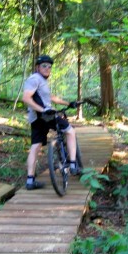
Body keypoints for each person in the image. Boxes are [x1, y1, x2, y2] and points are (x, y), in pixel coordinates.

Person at [22, 55, 80, 190]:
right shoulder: (35, 79)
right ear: (37, 67)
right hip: (45, 116)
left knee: (35, 146)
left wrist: (68, 103)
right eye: (44, 66)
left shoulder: (41, 81)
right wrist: (43, 110)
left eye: (49, 66)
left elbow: (51, 97)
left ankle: (30, 181)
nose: (47, 68)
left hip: (36, 118)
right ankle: (72, 164)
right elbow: (26, 98)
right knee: (70, 131)